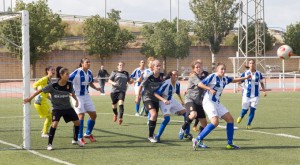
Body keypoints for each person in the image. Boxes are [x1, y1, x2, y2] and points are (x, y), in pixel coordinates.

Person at [192, 63, 251, 150]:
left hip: (217, 103)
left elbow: (233, 80)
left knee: (230, 120)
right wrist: (209, 89)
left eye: (224, 69)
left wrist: (245, 78)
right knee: (215, 122)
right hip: (208, 101)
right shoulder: (213, 76)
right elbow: (200, 84)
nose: (223, 71)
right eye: (221, 69)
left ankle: (229, 144)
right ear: (217, 70)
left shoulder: (224, 79)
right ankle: (197, 139)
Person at [24, 67, 83, 150]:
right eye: (67, 74)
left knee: (77, 123)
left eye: (68, 74)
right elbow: (40, 91)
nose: (68, 76)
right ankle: (49, 144)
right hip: (57, 109)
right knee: (54, 124)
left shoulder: (69, 84)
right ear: (61, 75)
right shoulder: (53, 85)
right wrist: (30, 98)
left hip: (67, 108)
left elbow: (72, 93)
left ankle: (75, 140)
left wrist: (76, 101)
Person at [69, 58, 101, 145]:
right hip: (77, 96)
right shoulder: (76, 72)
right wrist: (70, 93)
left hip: (86, 95)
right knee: (81, 115)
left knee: (93, 115)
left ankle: (87, 133)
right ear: (82, 64)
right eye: (87, 62)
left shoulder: (90, 72)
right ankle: (79, 137)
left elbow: (90, 82)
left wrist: (96, 88)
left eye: (89, 62)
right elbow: (67, 80)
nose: (89, 63)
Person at [178, 60, 208, 143]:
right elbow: (199, 84)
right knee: (193, 114)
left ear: (202, 67)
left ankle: (199, 139)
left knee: (204, 123)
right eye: (196, 67)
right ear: (194, 69)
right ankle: (182, 129)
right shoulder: (193, 76)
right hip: (190, 99)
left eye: (200, 67)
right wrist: (209, 88)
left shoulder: (204, 75)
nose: (198, 68)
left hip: (199, 101)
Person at [153, 70, 186, 142]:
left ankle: (186, 132)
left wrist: (181, 101)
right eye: (174, 75)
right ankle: (157, 136)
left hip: (171, 100)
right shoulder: (166, 83)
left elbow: (177, 92)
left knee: (187, 114)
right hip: (163, 101)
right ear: (170, 76)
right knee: (167, 119)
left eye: (177, 75)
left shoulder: (177, 83)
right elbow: (156, 94)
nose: (175, 76)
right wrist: (164, 100)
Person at [136, 60, 162, 143]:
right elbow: (141, 85)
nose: (159, 67)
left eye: (159, 65)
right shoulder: (149, 76)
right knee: (153, 114)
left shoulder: (161, 76)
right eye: (157, 66)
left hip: (155, 98)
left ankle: (152, 133)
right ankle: (150, 136)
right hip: (147, 97)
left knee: (155, 116)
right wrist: (137, 96)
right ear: (153, 67)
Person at [236, 59, 267, 129]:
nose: (251, 64)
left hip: (255, 95)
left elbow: (261, 83)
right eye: (250, 63)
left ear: (255, 64)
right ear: (248, 64)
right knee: (245, 110)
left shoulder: (259, 74)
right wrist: (239, 82)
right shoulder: (245, 73)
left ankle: (248, 124)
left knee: (252, 110)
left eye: (253, 63)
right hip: (246, 95)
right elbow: (240, 81)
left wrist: (264, 91)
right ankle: (241, 116)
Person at [32, 66, 55, 138]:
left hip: (44, 101)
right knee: (49, 117)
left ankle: (44, 130)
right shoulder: (45, 79)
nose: (53, 71)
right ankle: (44, 133)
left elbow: (46, 93)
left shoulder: (50, 81)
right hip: (40, 102)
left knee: (51, 115)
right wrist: (37, 91)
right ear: (47, 71)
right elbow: (35, 84)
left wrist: (52, 99)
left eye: (54, 70)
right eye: (51, 70)